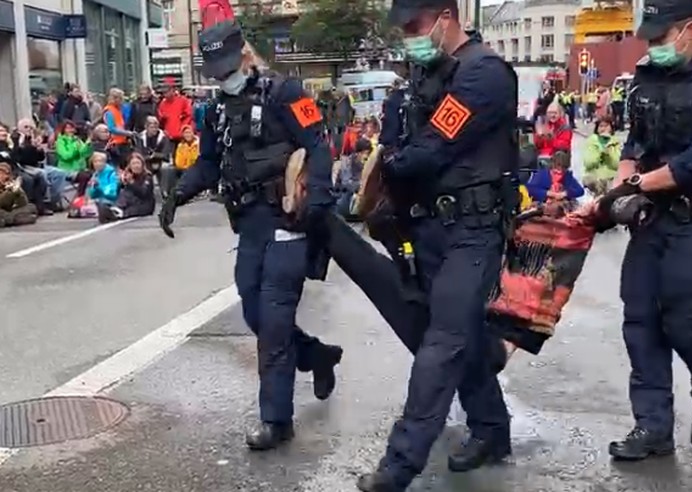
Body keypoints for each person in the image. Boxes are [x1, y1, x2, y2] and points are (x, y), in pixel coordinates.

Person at [158, 19, 343, 452]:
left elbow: (318, 144)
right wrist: (177, 194)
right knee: (255, 314)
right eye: (216, 71)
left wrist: (317, 198)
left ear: (245, 54)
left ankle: (276, 420)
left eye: (229, 66)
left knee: (275, 319)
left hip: (288, 220)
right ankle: (316, 355)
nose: (225, 77)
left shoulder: (286, 93)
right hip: (250, 224)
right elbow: (208, 163)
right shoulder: (213, 110)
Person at [354, 0, 517, 489]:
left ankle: (400, 463)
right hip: (427, 230)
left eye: (415, 25)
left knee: (441, 343)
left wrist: (388, 169)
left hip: (474, 229)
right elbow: (390, 144)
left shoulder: (484, 74)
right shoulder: (419, 80)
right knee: (457, 335)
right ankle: (491, 428)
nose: (409, 35)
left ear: (446, 16)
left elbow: (427, 151)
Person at [586, 0, 692, 461]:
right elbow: (636, 143)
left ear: (689, 30)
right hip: (651, 218)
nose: (654, 46)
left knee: (684, 320)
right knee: (639, 319)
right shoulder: (647, 78)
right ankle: (652, 426)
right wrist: (618, 191)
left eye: (662, 38)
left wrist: (637, 182)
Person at [100, 152, 155, 222]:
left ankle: (117, 212)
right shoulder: (128, 175)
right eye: (133, 164)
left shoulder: (147, 176)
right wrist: (120, 182)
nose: (136, 166)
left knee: (129, 206)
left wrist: (131, 183)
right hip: (129, 202)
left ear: (142, 164)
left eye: (138, 163)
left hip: (144, 204)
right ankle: (114, 210)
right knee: (123, 192)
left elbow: (143, 193)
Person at [582, 116, 621, 196]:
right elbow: (589, 163)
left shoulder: (615, 143)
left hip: (610, 178)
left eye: (606, 126)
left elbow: (616, 164)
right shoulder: (592, 141)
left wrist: (609, 155)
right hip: (594, 177)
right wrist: (600, 152)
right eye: (601, 126)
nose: (603, 129)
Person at [0, 159, 38, 227]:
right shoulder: (9, 190)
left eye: (7, 173)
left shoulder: (8, 184)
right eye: (1, 174)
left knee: (31, 207)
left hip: (9, 210)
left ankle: (11, 219)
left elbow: (23, 203)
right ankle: (13, 219)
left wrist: (19, 192)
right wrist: (9, 192)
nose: (4, 176)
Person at [103, 88, 135, 167]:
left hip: (121, 142)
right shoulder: (109, 111)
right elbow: (111, 128)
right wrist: (127, 133)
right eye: (120, 98)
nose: (122, 101)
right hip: (114, 144)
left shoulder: (117, 110)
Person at [165, 125, 198, 196]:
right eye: (185, 133)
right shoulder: (181, 146)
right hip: (183, 168)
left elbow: (195, 159)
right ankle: (171, 193)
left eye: (189, 132)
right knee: (171, 170)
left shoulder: (198, 144)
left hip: (196, 168)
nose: (187, 135)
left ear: (193, 133)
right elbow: (178, 162)